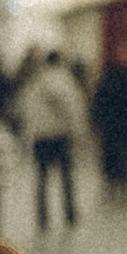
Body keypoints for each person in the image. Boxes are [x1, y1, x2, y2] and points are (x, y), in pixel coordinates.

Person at [15, 47, 89, 233]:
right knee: (66, 177)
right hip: (60, 136)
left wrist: (28, 136)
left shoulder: (35, 81)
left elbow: (26, 110)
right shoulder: (66, 82)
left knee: (42, 178)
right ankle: (70, 213)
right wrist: (78, 134)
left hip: (41, 137)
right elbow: (73, 111)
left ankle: (42, 217)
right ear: (61, 61)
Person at [90, 46, 127, 199]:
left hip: (126, 124)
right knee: (109, 153)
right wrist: (97, 120)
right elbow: (100, 98)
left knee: (123, 154)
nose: (125, 55)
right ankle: (110, 183)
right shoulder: (110, 75)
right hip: (111, 123)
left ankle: (122, 184)